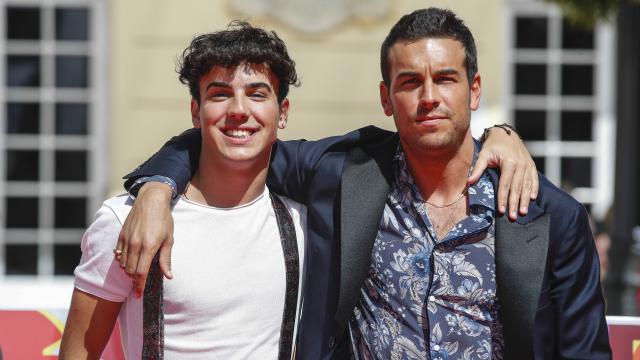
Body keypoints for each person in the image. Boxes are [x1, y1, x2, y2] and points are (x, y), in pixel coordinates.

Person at [117, 8, 608, 359]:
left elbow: (584, 349)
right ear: (386, 97)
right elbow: (234, 135)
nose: (429, 97)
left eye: (446, 79)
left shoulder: (551, 215)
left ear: (474, 89)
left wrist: (506, 135)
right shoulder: (345, 172)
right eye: (410, 82)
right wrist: (158, 188)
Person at [59, 21, 307, 359]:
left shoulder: (303, 223)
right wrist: (154, 191)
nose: (238, 110)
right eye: (220, 94)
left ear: (282, 113)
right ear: (196, 111)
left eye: (257, 94)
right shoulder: (126, 222)